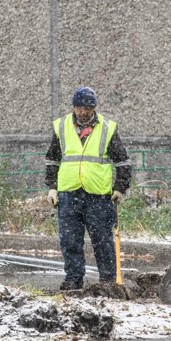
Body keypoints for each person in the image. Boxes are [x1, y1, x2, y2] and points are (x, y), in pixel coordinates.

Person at [45, 86, 132, 290]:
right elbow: (52, 160)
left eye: (87, 109)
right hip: (68, 193)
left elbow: (122, 162)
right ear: (74, 107)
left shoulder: (107, 128)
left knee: (103, 240)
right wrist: (52, 187)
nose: (83, 112)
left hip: (98, 195)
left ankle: (108, 281)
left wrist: (120, 188)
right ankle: (73, 279)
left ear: (94, 108)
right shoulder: (62, 126)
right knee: (70, 240)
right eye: (79, 108)